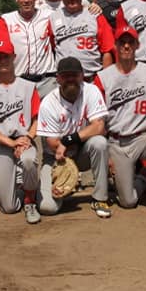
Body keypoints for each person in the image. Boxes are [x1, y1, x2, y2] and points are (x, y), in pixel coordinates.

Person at [94, 26, 146, 233]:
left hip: (144, 137)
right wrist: (108, 156)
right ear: (116, 46)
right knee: (128, 201)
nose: (126, 46)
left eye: (131, 42)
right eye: (122, 42)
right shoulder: (102, 77)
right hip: (117, 141)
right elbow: (99, 120)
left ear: (137, 45)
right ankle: (145, 177)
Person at [36, 57, 111, 218]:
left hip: (82, 153)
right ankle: (53, 188)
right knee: (47, 208)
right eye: (65, 76)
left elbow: (99, 126)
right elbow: (53, 143)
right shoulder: (48, 103)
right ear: (58, 78)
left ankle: (100, 198)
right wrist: (68, 173)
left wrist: (68, 139)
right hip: (57, 159)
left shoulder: (91, 91)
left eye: (74, 75)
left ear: (82, 75)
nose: (70, 79)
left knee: (100, 143)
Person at [0, 37, 42, 224]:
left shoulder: (29, 87)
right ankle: (24, 190)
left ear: (13, 57)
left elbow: (37, 119)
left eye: (6, 56)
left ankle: (30, 199)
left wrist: (28, 138)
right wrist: (11, 143)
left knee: (29, 161)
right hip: (1, 145)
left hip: (24, 141)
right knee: (9, 207)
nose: (3, 60)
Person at [0, 0, 57, 97]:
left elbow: (70, 11)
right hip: (20, 81)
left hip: (47, 81)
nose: (26, 0)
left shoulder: (50, 15)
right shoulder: (5, 20)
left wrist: (91, 7)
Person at [50, 0, 115, 76]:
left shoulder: (95, 15)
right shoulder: (54, 18)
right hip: (64, 80)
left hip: (91, 78)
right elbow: (53, 47)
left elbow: (107, 50)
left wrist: (105, 79)